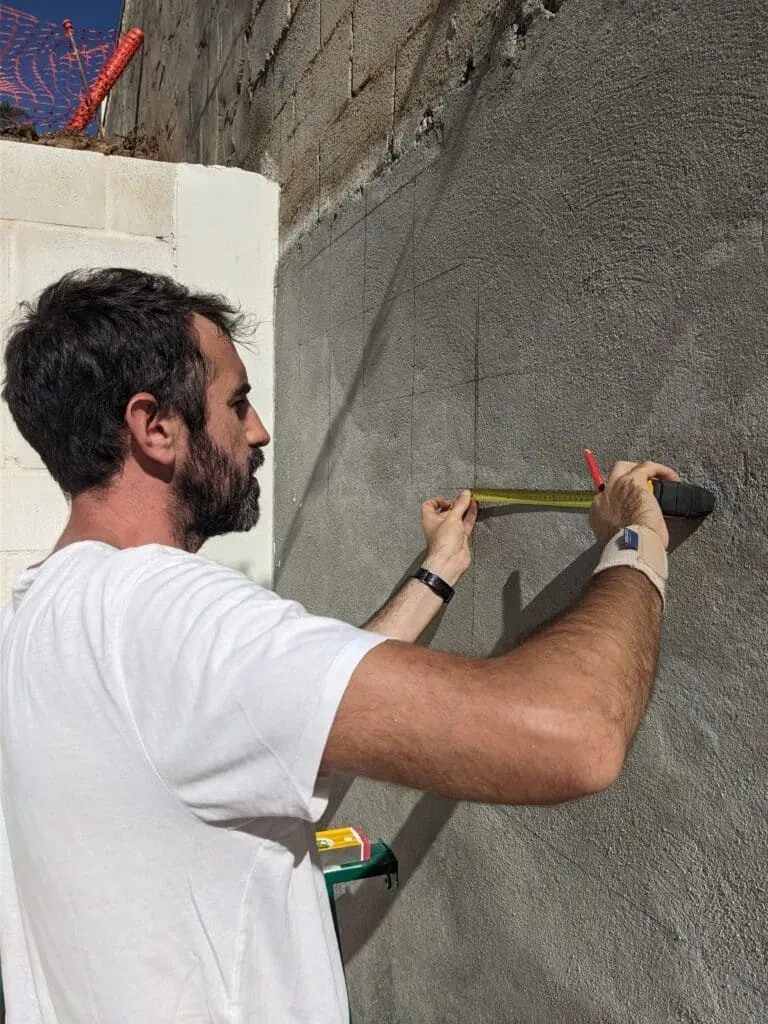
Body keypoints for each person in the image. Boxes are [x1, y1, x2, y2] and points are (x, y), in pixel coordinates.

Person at [0, 268, 679, 1024]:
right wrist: (635, 538)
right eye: (236, 402)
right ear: (155, 426)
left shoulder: (35, 621)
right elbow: (575, 733)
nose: (257, 429)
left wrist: (439, 570)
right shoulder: (162, 618)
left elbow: (307, 709)